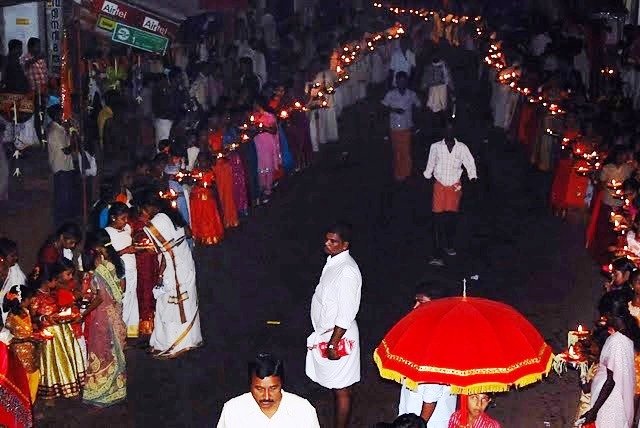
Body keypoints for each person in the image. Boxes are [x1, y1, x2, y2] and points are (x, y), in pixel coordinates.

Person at [306, 222, 362, 428]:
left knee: (342, 390)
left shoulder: (347, 271)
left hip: (339, 336)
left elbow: (346, 313)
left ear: (345, 245)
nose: (327, 244)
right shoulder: (334, 262)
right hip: (329, 333)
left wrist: (332, 344)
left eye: (334, 241)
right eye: (327, 239)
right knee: (338, 386)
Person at [141, 193, 202, 358]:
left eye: (144, 210)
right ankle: (176, 340)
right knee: (184, 302)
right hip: (185, 262)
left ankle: (175, 343)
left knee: (172, 305)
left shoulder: (157, 222)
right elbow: (188, 233)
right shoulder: (172, 214)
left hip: (174, 268)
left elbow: (157, 247)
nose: (144, 214)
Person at [80, 230, 127, 407]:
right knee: (114, 350)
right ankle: (117, 389)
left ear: (96, 248)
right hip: (115, 312)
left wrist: (84, 313)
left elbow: (99, 297)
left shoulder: (100, 269)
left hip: (102, 314)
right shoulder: (116, 262)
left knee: (101, 350)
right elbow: (121, 288)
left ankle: (101, 393)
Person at [398, 288, 455, 427]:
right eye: (415, 301)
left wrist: (418, 424)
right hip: (413, 413)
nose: (415, 307)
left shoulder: (438, 342)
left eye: (421, 302)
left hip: (428, 421)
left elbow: (431, 397)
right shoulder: (425, 332)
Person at [423, 121, 477, 266]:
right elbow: (431, 163)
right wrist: (427, 176)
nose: (449, 132)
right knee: (437, 219)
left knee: (451, 218)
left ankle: (449, 244)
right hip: (440, 185)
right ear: (442, 132)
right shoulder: (435, 147)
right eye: (446, 130)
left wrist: (472, 177)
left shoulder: (462, 148)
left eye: (452, 130)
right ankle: (436, 252)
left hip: (454, 186)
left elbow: (470, 163)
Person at [30, 263, 86, 400]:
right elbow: (32, 317)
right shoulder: (36, 297)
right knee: (53, 362)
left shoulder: (53, 294)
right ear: (46, 281)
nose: (57, 283)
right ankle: (51, 392)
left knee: (66, 359)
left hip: (62, 331)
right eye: (54, 280)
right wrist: (44, 317)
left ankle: (69, 386)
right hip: (49, 333)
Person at [217, 354, 320, 427]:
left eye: (273, 388)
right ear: (250, 385)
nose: (266, 396)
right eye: (259, 389)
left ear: (281, 384)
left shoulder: (303, 409)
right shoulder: (233, 410)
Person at [579, 298, 638, 427]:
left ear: (610, 315)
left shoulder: (617, 342)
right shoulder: (624, 334)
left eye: (604, 315)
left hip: (610, 403)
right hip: (611, 398)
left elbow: (611, 381)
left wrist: (594, 411)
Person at [104, 202, 139, 338]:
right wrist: (125, 251)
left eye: (126, 218)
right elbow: (108, 255)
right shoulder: (107, 233)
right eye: (122, 218)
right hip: (120, 271)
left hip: (132, 269)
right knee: (122, 300)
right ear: (113, 218)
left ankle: (130, 331)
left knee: (131, 298)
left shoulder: (127, 229)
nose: (125, 222)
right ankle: (118, 332)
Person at [2, 284, 40, 403]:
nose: (31, 301)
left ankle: (30, 404)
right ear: (22, 301)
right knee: (23, 381)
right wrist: (27, 339)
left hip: (30, 352)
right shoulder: (12, 317)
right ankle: (24, 406)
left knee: (35, 377)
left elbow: (29, 331)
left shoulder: (26, 311)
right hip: (20, 354)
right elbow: (10, 339)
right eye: (29, 299)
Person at [382, 71, 421, 182]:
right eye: (399, 81)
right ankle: (399, 173)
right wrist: (394, 110)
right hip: (394, 127)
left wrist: (416, 121)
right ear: (396, 82)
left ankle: (406, 173)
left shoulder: (411, 94)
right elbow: (383, 108)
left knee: (406, 151)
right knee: (397, 151)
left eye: (404, 82)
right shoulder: (391, 94)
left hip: (407, 126)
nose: (401, 84)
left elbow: (418, 105)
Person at [46, 104, 77, 227]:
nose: (63, 116)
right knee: (63, 197)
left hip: (66, 166)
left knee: (66, 196)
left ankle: (64, 223)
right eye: (61, 113)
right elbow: (67, 150)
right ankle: (61, 224)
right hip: (60, 168)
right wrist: (74, 144)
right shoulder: (54, 131)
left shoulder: (61, 129)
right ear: (55, 115)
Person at [189, 152, 225, 245]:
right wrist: (194, 181)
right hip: (197, 199)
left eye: (204, 161)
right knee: (199, 217)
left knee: (208, 217)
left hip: (208, 199)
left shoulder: (210, 172)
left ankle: (210, 235)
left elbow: (213, 185)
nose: (202, 163)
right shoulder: (195, 171)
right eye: (200, 161)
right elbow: (191, 182)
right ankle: (200, 235)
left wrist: (206, 186)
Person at [253, 97, 281, 204]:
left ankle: (268, 189)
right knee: (260, 166)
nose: (254, 106)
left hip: (267, 144)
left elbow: (274, 130)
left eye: (255, 104)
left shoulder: (269, 116)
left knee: (267, 165)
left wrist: (264, 128)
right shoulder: (254, 117)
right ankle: (261, 188)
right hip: (258, 144)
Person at [0, 238, 27, 323]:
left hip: (10, 318)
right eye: (12, 255)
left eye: (16, 254)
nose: (16, 257)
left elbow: (22, 292)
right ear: (1, 258)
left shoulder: (15, 271)